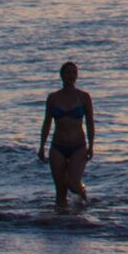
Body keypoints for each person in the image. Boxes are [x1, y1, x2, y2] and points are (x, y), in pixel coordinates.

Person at [39, 61, 96, 205]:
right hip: (58, 146)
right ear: (61, 75)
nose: (70, 76)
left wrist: (91, 145)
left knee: (73, 183)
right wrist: (42, 146)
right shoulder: (53, 98)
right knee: (60, 192)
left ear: (77, 76)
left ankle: (84, 198)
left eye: (73, 73)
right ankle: (63, 223)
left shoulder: (84, 97)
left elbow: (90, 123)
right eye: (67, 73)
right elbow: (47, 123)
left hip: (78, 145)